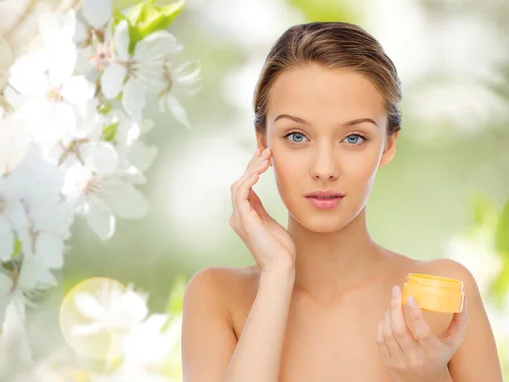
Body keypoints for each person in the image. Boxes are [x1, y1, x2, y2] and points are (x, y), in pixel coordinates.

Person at [180, 21, 503, 382]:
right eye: (297, 135)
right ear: (263, 142)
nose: (324, 169)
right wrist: (277, 275)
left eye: (353, 138)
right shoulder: (217, 298)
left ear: (389, 144)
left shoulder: (440, 294)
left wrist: (427, 376)